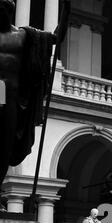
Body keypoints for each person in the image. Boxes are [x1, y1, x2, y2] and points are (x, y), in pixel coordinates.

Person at [0, 0, 70, 189]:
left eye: (3, 10)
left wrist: (67, 11)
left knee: (6, 148)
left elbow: (56, 38)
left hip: (13, 97)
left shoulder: (24, 36)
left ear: (10, 12)